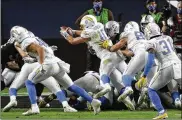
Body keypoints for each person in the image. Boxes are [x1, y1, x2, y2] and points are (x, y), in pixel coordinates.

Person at [9, 26, 101, 115]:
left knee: (29, 82)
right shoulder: (32, 38)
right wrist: (34, 59)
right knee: (71, 86)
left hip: (48, 65)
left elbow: (40, 49)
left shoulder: (26, 42)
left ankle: (34, 107)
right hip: (56, 63)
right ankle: (93, 101)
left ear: (18, 35)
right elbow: (44, 50)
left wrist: (41, 64)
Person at [60, 15, 134, 110]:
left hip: (107, 56)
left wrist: (65, 34)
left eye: (83, 25)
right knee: (116, 80)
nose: (82, 27)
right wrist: (73, 31)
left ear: (88, 24)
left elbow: (73, 41)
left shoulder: (90, 33)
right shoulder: (99, 25)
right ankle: (126, 97)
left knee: (104, 74)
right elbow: (84, 32)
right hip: (116, 55)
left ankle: (106, 86)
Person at [138, 22, 181, 119]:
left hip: (166, 66)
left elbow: (150, 61)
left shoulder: (150, 42)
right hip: (178, 64)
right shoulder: (168, 38)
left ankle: (162, 112)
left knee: (151, 89)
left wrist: (144, 75)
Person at [75, 0, 114, 72]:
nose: (97, 3)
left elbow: (113, 26)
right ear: (93, 3)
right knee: (91, 62)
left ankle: (108, 75)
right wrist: (86, 32)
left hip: (105, 39)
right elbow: (78, 22)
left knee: (108, 60)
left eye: (99, 1)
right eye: (96, 1)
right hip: (93, 39)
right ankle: (90, 76)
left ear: (102, 2)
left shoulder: (108, 12)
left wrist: (110, 38)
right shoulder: (89, 12)